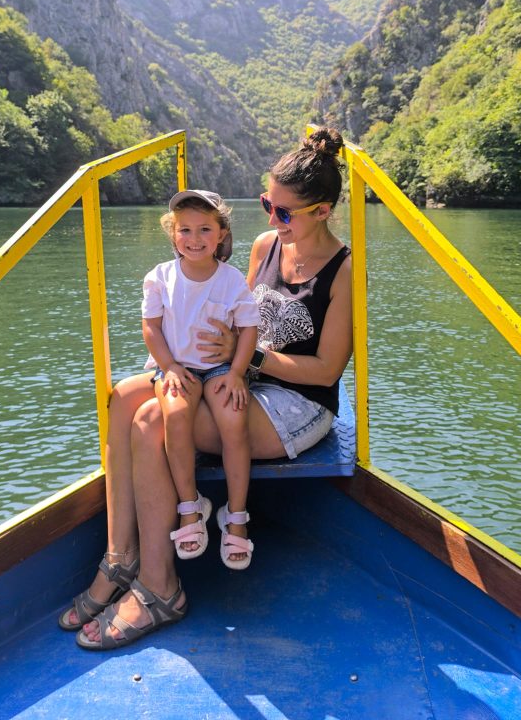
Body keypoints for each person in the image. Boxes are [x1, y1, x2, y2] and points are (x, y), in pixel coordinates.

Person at [60, 127, 352, 651]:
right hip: (239, 378)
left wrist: (250, 358)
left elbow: (327, 372)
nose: (271, 220)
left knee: (152, 421)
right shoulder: (267, 246)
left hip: (295, 404)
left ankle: (159, 585)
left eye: (284, 212)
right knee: (125, 396)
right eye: (268, 204)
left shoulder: (345, 270)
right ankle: (119, 554)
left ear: (323, 211)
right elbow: (230, 316)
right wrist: (196, 358)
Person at [143, 190, 259, 569]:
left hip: (219, 368)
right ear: (173, 234)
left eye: (205, 229)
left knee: (234, 419)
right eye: (185, 230)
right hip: (177, 366)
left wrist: (238, 373)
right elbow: (151, 328)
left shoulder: (230, 279)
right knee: (175, 417)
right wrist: (169, 366)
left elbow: (247, 329)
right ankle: (191, 507)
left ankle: (236, 515)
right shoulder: (160, 277)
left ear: (221, 233)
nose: (194, 239)